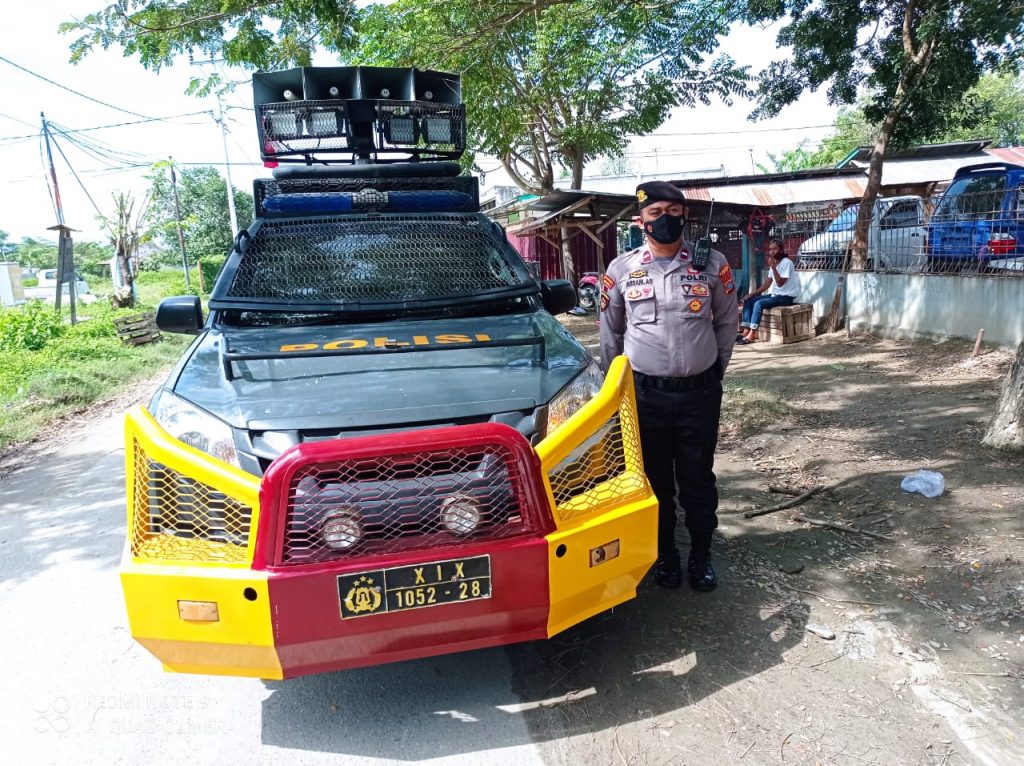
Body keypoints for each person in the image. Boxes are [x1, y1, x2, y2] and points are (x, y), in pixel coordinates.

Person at [599, 181, 737, 591]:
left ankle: (700, 554)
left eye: (673, 211)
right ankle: (665, 555)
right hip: (645, 396)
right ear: (640, 221)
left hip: (699, 393)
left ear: (685, 216)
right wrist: (614, 394)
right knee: (654, 480)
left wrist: (713, 371)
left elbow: (728, 323)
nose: (666, 219)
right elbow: (611, 334)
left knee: (697, 478)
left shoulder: (712, 265)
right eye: (656, 212)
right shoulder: (621, 269)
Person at [738, 238, 800, 344]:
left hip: (786, 297)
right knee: (749, 300)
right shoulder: (774, 263)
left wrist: (774, 267)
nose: (772, 252)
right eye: (770, 249)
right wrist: (752, 294)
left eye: (774, 249)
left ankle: (752, 334)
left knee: (759, 304)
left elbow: (780, 283)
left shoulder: (787, 263)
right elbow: (768, 283)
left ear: (781, 249)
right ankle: (746, 330)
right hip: (775, 295)